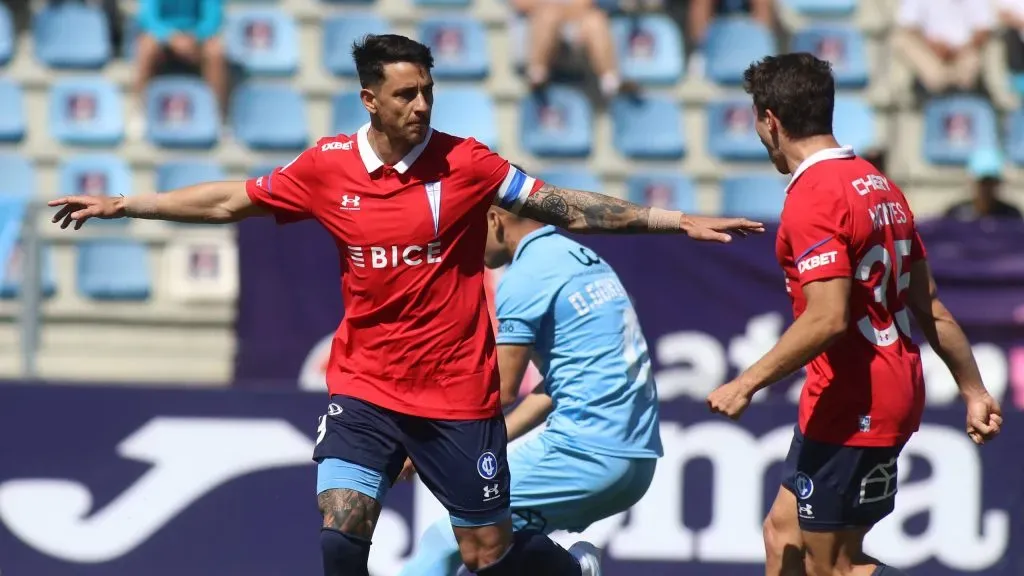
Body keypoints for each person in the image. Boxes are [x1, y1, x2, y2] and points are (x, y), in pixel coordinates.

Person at [49, 34, 763, 576]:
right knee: (340, 530)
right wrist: (124, 203)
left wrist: (675, 221)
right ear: (369, 99)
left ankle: (568, 567)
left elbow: (562, 205)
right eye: (405, 95)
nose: (420, 105)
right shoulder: (326, 166)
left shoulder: (467, 163)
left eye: (427, 91)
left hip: (457, 395)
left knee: (485, 552)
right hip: (365, 385)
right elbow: (231, 198)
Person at [705, 52, 1003, 576]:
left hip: (856, 399)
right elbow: (928, 303)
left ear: (770, 120)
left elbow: (827, 318)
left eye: (757, 120)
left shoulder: (814, 197)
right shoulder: (877, 184)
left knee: (834, 568)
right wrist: (974, 389)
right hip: (862, 389)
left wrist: (745, 383)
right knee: (782, 535)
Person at [398, 205, 662, 576]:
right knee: (487, 552)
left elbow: (501, 390)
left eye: (468, 229)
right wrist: (494, 440)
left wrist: (428, 442)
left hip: (586, 452)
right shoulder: (582, 258)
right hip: (637, 462)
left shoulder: (526, 275)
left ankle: (573, 572)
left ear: (494, 218)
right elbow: (556, 386)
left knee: (448, 539)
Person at [944, 148, 1024, 221]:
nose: (986, 189)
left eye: (991, 183)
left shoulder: (1011, 215)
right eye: (982, 183)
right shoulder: (957, 213)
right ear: (972, 182)